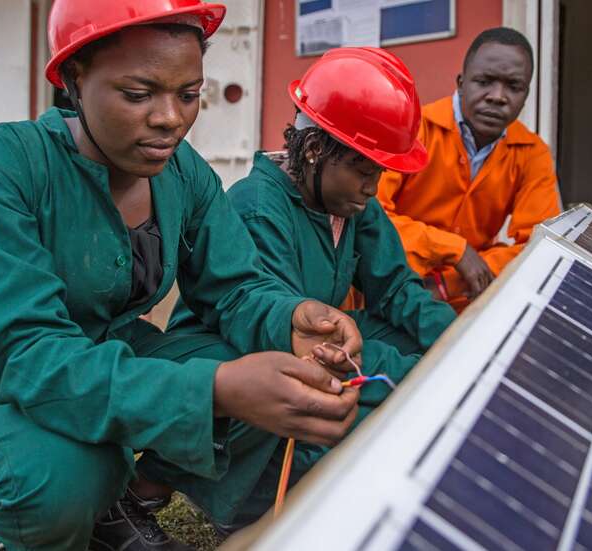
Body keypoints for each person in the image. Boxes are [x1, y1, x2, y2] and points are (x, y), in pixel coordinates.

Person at [0, 1, 367, 550]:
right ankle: (13, 523)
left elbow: (234, 288)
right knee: (55, 475)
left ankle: (120, 503)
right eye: (138, 95)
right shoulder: (0, 169)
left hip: (116, 351)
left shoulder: (183, 173)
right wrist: (214, 390)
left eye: (188, 94)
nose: (170, 118)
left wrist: (291, 317)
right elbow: (25, 354)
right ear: (73, 77)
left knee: (267, 379)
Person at [167, 48, 457, 527]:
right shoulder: (259, 209)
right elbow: (302, 347)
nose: (373, 188)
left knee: (408, 339)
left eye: (380, 174)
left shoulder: (348, 200)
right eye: (366, 172)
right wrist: (422, 381)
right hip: (248, 360)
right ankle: (255, 497)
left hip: (315, 350)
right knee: (368, 409)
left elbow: (396, 289)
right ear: (317, 150)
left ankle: (340, 448)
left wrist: (460, 343)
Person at [376, 27, 560, 312]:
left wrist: (450, 282)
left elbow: (540, 247)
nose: (498, 96)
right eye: (484, 81)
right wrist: (455, 250)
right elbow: (371, 218)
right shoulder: (412, 129)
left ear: (526, 94)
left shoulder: (533, 153)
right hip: (385, 289)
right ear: (461, 83)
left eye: (513, 86)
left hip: (467, 302)